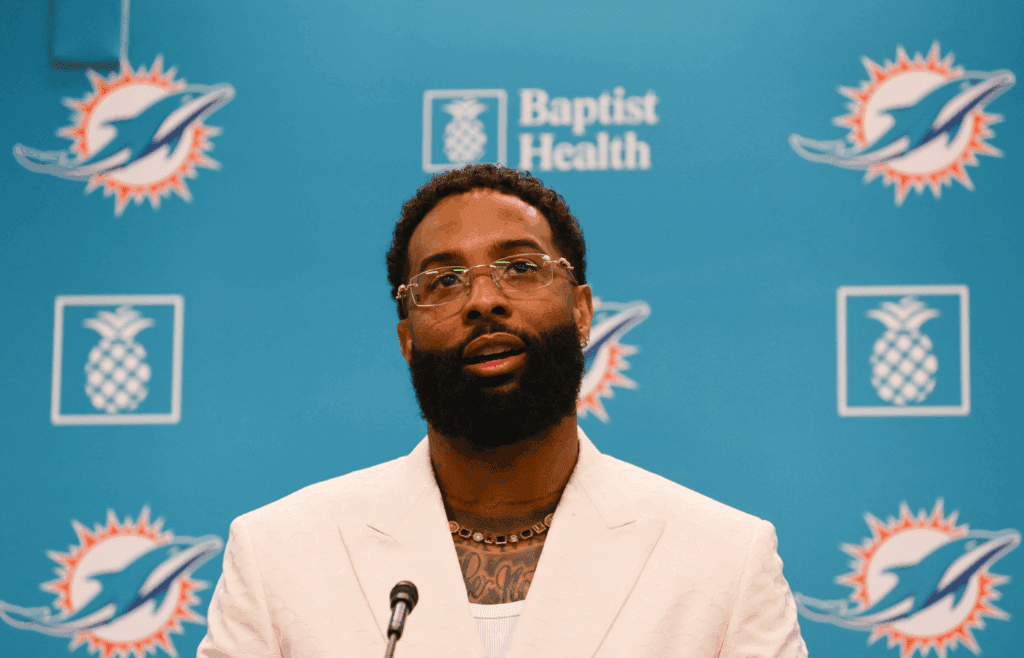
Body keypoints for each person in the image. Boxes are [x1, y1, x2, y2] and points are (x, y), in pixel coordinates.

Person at [197, 165, 807, 658]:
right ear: (407, 339)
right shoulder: (279, 555)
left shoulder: (723, 560)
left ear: (582, 312)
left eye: (520, 268)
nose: (483, 300)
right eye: (443, 281)